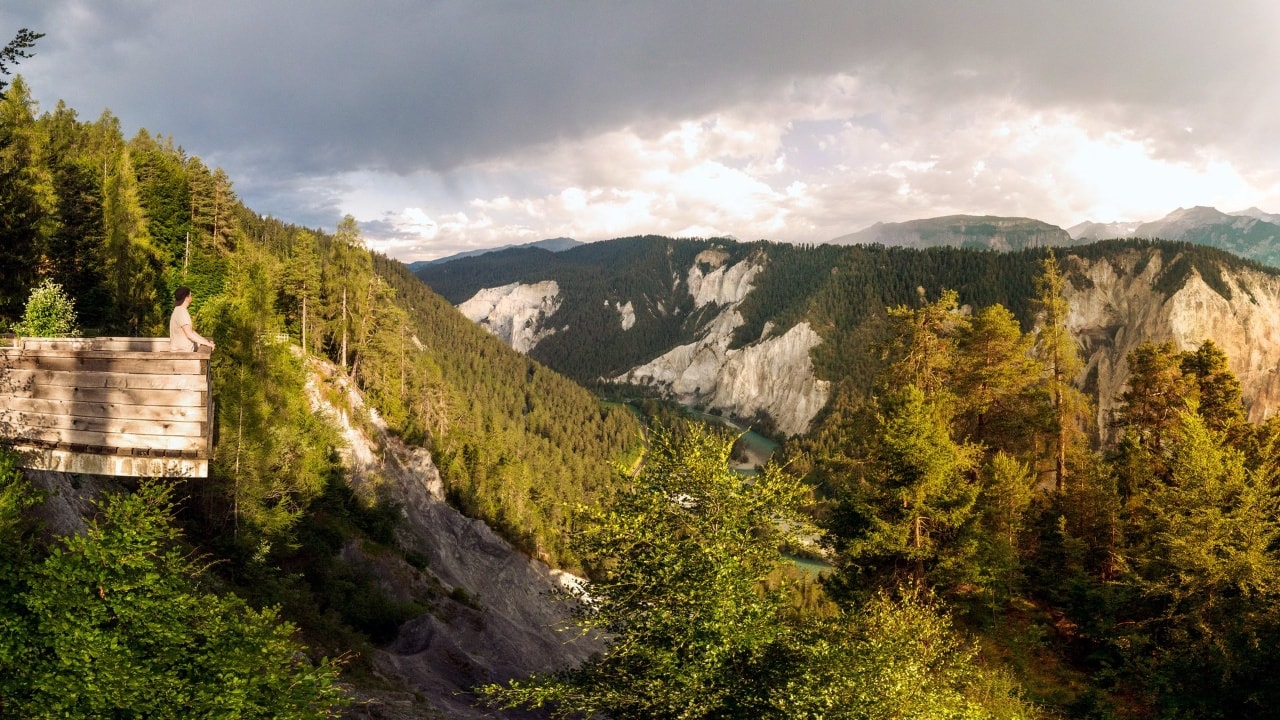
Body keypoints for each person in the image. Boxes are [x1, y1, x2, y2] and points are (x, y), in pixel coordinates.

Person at [169, 286, 215, 352]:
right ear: (186, 298)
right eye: (190, 295)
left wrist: (205, 341)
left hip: (182, 352)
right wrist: (208, 344)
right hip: (183, 354)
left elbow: (191, 331)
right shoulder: (182, 312)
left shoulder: (178, 310)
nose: (191, 297)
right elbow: (189, 334)